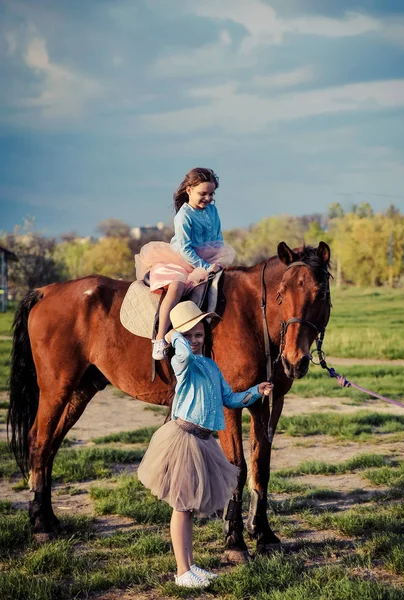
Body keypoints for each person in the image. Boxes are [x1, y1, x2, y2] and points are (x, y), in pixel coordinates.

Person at [137, 301, 274, 588]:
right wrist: (173, 334)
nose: (195, 340)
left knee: (187, 508)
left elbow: (230, 399)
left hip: (203, 441)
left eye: (199, 335)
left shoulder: (211, 366)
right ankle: (182, 571)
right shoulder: (182, 362)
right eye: (189, 335)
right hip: (183, 438)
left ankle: (190, 566)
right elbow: (184, 352)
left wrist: (255, 391)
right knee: (181, 506)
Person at [135, 167, 236, 360]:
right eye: (202, 193)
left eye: (211, 194)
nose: (207, 198)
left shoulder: (212, 210)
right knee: (177, 286)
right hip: (182, 260)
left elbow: (217, 238)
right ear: (189, 190)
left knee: (211, 288)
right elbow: (184, 249)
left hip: (208, 259)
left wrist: (218, 260)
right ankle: (160, 338)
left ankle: (199, 334)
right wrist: (205, 267)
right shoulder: (184, 216)